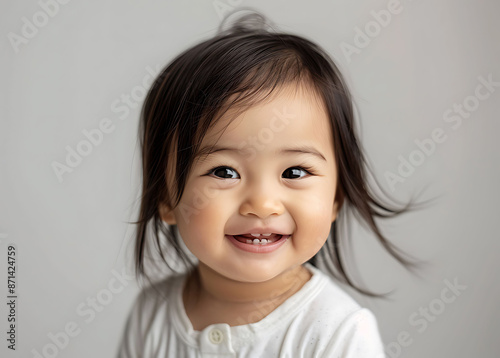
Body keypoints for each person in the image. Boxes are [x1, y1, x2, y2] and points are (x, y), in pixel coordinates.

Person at [116, 9, 427, 358]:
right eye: (224, 172)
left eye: (294, 172)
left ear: (336, 197)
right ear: (166, 198)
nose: (263, 203)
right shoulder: (151, 314)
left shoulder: (337, 333)